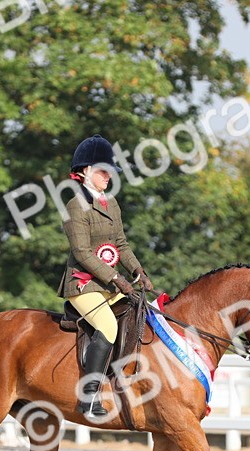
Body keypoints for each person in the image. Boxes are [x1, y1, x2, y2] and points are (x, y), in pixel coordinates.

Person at [57, 134, 155, 419]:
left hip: (109, 283)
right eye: (102, 171)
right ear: (86, 171)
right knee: (107, 325)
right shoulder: (76, 206)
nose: (108, 177)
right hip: (83, 285)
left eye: (110, 172)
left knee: (141, 314)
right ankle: (88, 396)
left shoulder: (111, 204)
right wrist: (117, 279)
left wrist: (138, 271)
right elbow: (83, 252)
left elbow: (121, 245)